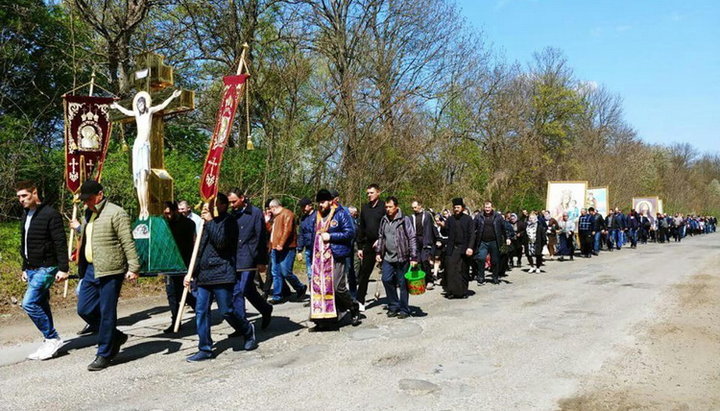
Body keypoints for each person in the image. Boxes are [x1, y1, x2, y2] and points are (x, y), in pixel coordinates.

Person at [71, 181, 140, 371]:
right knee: (84, 309)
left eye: (89, 199)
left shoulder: (116, 213)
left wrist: (133, 267)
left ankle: (104, 353)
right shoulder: (88, 213)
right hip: (91, 270)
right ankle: (115, 336)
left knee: (107, 311)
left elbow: (128, 241)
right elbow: (88, 236)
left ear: (100, 195)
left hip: (111, 270)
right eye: (84, 200)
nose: (86, 203)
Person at [183, 194, 256, 362]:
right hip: (204, 274)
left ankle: (247, 330)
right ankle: (205, 348)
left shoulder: (229, 221)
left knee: (226, 311)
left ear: (223, 205)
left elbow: (221, 242)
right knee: (201, 311)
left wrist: (210, 222)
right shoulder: (203, 225)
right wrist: (190, 272)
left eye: (213, 204)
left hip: (222, 272)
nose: (208, 208)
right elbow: (199, 251)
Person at [17, 180, 69, 360]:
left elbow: (60, 242)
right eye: (19, 197)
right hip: (31, 268)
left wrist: (63, 268)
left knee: (29, 303)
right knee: (41, 304)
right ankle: (50, 341)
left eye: (24, 195)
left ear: (34, 193)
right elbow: (24, 242)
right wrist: (24, 267)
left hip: (47, 267)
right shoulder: (25, 214)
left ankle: (52, 338)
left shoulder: (50, 214)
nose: (21, 200)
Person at [111, 90, 182, 220]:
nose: (140, 106)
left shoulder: (149, 111)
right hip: (138, 146)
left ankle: (145, 208)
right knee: (138, 180)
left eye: (142, 104)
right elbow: (126, 112)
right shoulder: (136, 114)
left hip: (145, 146)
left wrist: (172, 96)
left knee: (144, 177)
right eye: (138, 104)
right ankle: (142, 209)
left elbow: (162, 106)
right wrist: (117, 106)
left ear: (145, 104)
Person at [309, 189, 360, 329]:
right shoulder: (317, 216)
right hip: (320, 258)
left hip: (336, 255)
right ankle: (322, 320)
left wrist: (331, 237)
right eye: (319, 202)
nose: (321, 205)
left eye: (323, 202)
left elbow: (350, 233)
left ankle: (353, 306)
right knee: (320, 289)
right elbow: (311, 233)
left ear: (330, 201)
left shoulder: (341, 214)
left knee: (338, 287)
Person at [228, 189, 273, 331]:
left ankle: (245, 323)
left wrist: (261, 261)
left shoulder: (255, 213)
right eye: (230, 203)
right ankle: (262, 311)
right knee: (243, 290)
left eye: (234, 202)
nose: (232, 205)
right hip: (235, 257)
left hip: (250, 257)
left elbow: (261, 237)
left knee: (241, 290)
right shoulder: (232, 215)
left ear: (242, 198)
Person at [375, 197, 417, 318]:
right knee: (386, 279)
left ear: (396, 207)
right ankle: (393, 305)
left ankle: (404, 309)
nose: (388, 209)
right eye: (386, 207)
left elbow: (412, 237)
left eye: (390, 207)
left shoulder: (404, 220)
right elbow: (381, 237)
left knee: (403, 284)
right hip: (388, 257)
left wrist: (413, 257)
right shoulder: (384, 220)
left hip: (402, 257)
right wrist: (378, 253)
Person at [162, 201, 197, 333]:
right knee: (172, 293)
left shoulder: (188, 224)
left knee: (182, 292)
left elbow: (191, 244)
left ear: (175, 211)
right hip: (169, 263)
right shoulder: (165, 224)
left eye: (169, 213)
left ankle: (199, 310)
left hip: (183, 262)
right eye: (165, 214)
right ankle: (176, 320)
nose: (168, 216)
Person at [267, 199, 307, 304]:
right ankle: (277, 296)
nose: (270, 211)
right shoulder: (274, 217)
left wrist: (281, 243)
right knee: (275, 272)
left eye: (270, 209)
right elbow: (270, 230)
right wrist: (267, 220)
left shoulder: (288, 214)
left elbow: (287, 230)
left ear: (274, 207)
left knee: (285, 271)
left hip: (287, 248)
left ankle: (300, 287)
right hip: (274, 247)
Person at [356, 184, 385, 311]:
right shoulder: (365, 208)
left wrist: (380, 239)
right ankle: (360, 300)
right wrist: (360, 247)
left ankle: (394, 300)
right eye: (367, 193)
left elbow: (388, 226)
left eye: (371, 192)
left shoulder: (384, 207)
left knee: (389, 273)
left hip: (383, 243)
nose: (369, 195)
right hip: (368, 244)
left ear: (378, 193)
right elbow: (361, 228)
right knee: (364, 273)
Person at [443, 198, 475, 297]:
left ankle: (463, 292)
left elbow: (472, 234)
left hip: (464, 248)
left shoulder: (468, 219)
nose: (456, 209)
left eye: (458, 207)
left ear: (462, 208)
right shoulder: (450, 219)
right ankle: (452, 291)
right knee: (451, 270)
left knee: (463, 270)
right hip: (453, 248)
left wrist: (470, 247)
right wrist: (442, 226)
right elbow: (445, 233)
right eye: (454, 207)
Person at [474, 201, 510, 285]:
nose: (487, 209)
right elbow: (473, 228)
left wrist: (507, 238)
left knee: (495, 260)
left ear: (492, 207)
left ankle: (495, 277)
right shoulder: (478, 217)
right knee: (481, 258)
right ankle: (481, 277)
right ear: (483, 208)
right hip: (482, 242)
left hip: (494, 241)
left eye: (489, 207)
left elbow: (503, 228)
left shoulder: (498, 217)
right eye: (486, 207)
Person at [410, 200, 436, 289]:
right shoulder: (412, 217)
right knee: (418, 262)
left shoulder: (427, 215)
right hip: (416, 240)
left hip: (425, 239)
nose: (414, 209)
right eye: (413, 208)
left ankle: (430, 280)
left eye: (415, 207)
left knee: (425, 260)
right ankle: (421, 280)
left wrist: (429, 242)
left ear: (420, 206)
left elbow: (430, 229)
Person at [296, 197, 315, 283]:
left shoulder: (317, 216)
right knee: (309, 272)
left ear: (310, 206)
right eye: (301, 207)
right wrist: (299, 250)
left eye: (304, 206)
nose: (302, 209)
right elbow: (301, 235)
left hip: (317, 248)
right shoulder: (303, 219)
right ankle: (312, 292)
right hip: (308, 248)